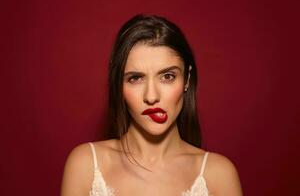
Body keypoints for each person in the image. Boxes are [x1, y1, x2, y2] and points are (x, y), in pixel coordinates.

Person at [61, 14, 243, 196]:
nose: (151, 96)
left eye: (167, 77)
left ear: (187, 79)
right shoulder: (86, 165)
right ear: (119, 84)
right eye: (136, 78)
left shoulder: (219, 175)